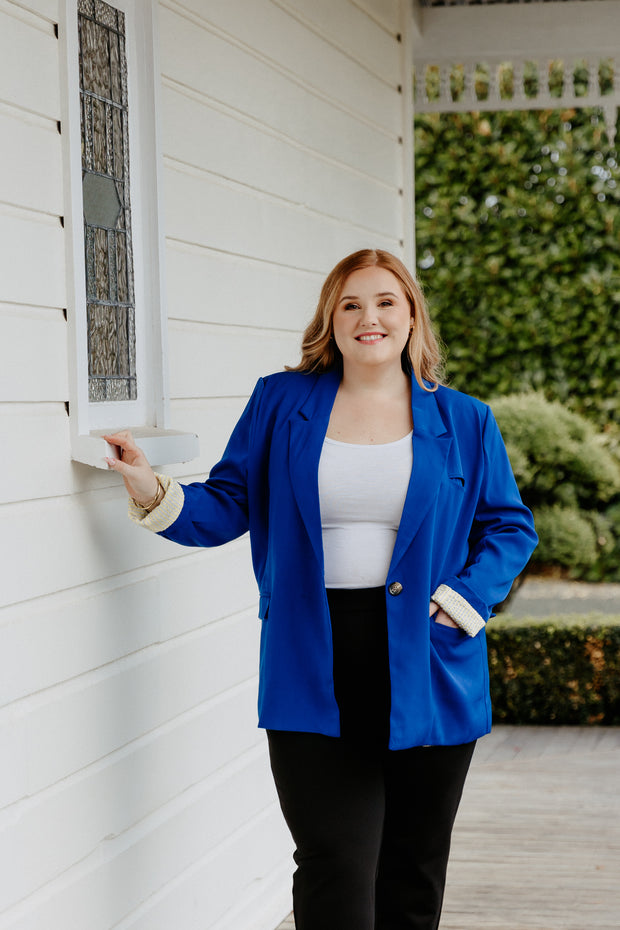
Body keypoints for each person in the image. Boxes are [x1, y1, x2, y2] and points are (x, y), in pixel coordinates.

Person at [105, 248, 537, 930]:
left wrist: (463, 601)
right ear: (330, 320)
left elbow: (510, 527)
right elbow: (228, 503)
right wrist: (151, 490)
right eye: (352, 304)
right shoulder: (282, 404)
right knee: (335, 862)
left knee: (413, 870)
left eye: (386, 301)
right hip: (313, 657)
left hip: (429, 659)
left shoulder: (464, 420)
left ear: (412, 314)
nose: (371, 317)